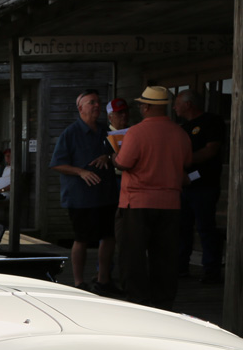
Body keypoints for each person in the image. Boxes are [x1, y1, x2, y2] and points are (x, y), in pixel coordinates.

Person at [113, 85, 193, 310]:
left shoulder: (136, 132)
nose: (139, 108)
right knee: (166, 256)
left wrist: (113, 157)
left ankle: (137, 301)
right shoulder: (180, 133)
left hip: (137, 202)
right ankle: (163, 302)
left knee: (133, 255)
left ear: (147, 107)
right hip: (170, 203)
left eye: (141, 105)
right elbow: (187, 163)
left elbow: (123, 163)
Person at [49, 89, 119, 295]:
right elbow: (57, 164)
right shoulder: (70, 133)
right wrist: (81, 171)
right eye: (91, 102)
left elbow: (119, 153)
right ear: (80, 108)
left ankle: (103, 280)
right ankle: (79, 283)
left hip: (106, 194)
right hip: (81, 197)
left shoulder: (106, 130)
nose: (96, 106)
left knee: (109, 237)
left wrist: (108, 157)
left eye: (98, 102)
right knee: (82, 239)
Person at [173, 90, 226, 283]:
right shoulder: (182, 128)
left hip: (205, 184)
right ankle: (180, 267)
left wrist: (186, 160)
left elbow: (211, 150)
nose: (174, 107)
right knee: (182, 228)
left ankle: (211, 270)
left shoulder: (212, 121)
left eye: (177, 103)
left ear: (188, 104)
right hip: (184, 185)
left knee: (205, 227)